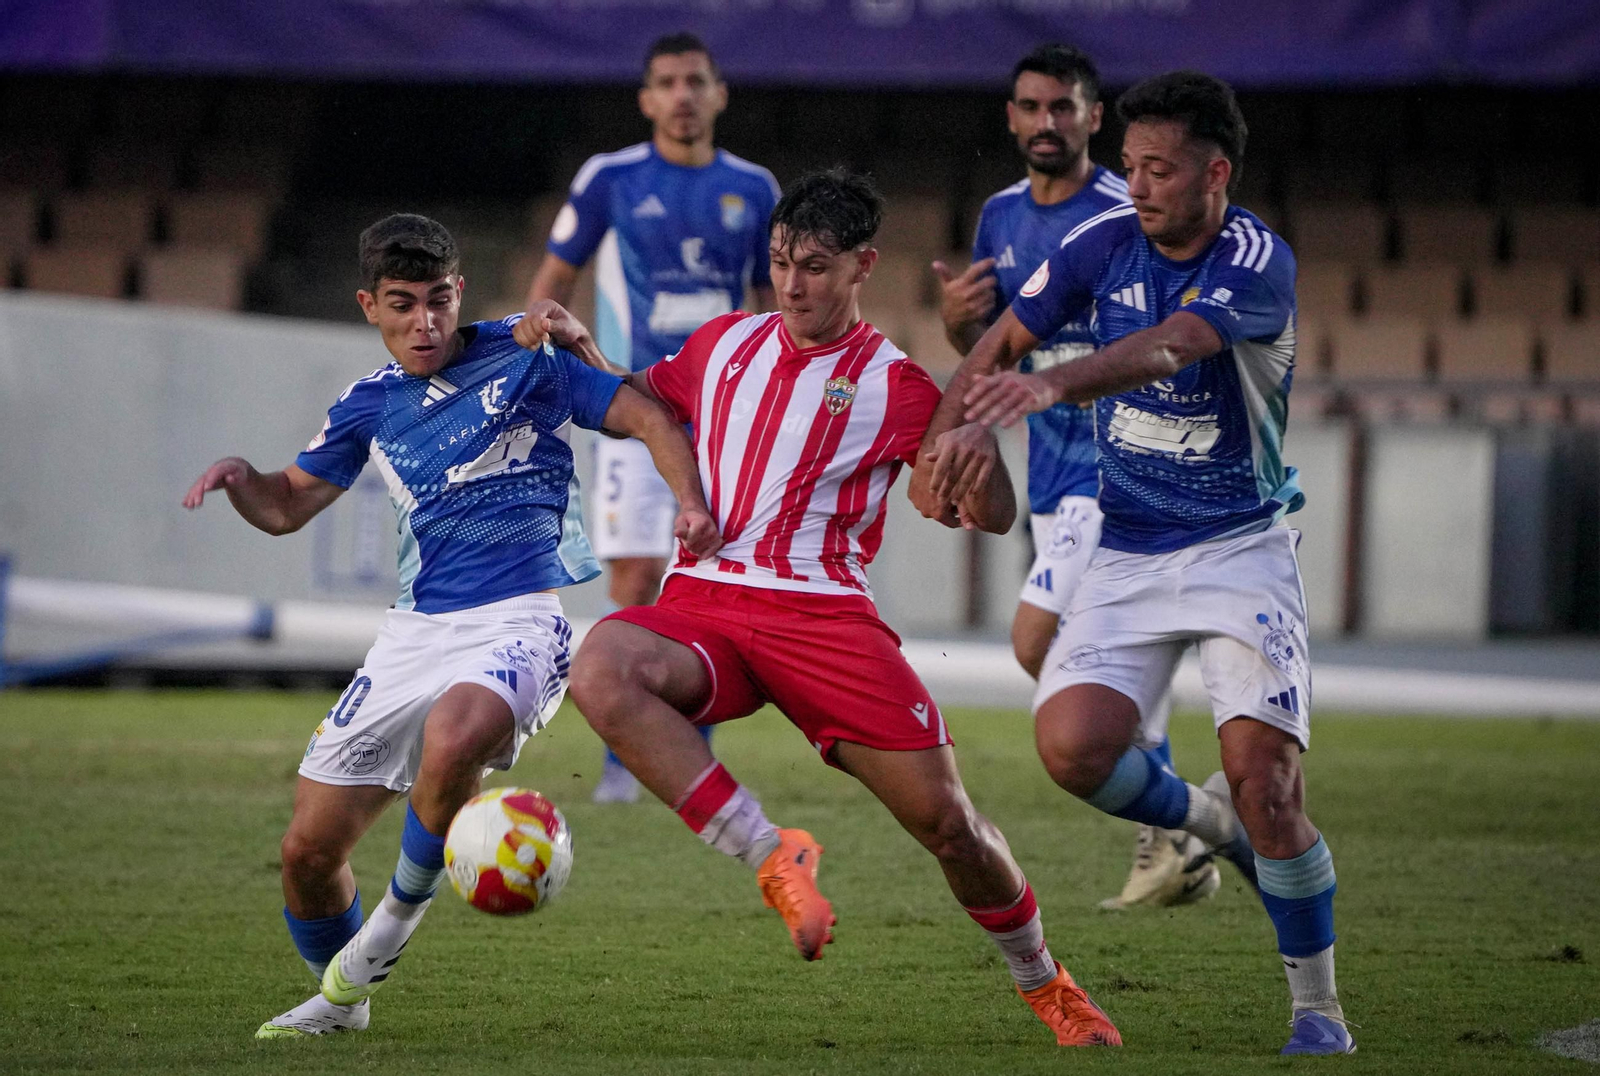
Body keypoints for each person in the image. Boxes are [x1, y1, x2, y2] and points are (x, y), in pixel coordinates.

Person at [568, 169, 1122, 1048]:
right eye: (783, 262)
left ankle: (1044, 980)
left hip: (824, 619)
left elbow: (983, 514)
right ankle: (770, 852)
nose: (792, 284)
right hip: (707, 603)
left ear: (862, 266)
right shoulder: (722, 345)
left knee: (951, 826)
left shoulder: (896, 385)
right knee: (600, 665)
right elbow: (632, 394)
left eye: (816, 267)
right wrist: (573, 349)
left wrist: (986, 474)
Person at [184, 214, 720, 1039]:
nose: (424, 322)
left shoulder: (529, 362)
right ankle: (344, 1004)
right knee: (307, 854)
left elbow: (648, 416)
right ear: (370, 305)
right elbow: (288, 504)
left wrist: (686, 501)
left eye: (438, 300)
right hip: (414, 633)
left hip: (521, 620)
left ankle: (382, 939)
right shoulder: (367, 406)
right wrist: (241, 478)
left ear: (459, 292)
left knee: (456, 732)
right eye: (402, 304)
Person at [918, 72, 1354, 1055]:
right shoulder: (1099, 242)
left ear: (1216, 173)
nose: (1140, 186)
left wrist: (1049, 388)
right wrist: (940, 444)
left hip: (1241, 547)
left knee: (1269, 780)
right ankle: (1214, 823)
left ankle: (1316, 1007)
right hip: (1126, 545)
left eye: (1160, 170)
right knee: (1070, 747)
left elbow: (1173, 346)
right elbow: (995, 343)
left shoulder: (1255, 258)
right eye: (1130, 167)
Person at [937, 43, 1218, 912]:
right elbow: (995, 350)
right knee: (1079, 657)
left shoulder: (1127, 212)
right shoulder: (999, 218)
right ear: (1012, 118)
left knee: (1035, 644)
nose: (1045, 122)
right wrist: (955, 329)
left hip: (1116, 472)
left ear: (1095, 117)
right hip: (1049, 479)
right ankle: (1183, 832)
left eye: (1064, 107)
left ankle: (1176, 822)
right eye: (1030, 107)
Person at [527, 32, 781, 805]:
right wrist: (542, 361)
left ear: (719, 93)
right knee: (636, 573)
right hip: (636, 407)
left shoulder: (756, 187)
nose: (681, 95)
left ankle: (686, 746)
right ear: (646, 99)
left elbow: (775, 302)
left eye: (695, 81)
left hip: (725, 410)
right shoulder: (610, 178)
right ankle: (632, 745)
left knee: (705, 577)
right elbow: (552, 285)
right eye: (667, 83)